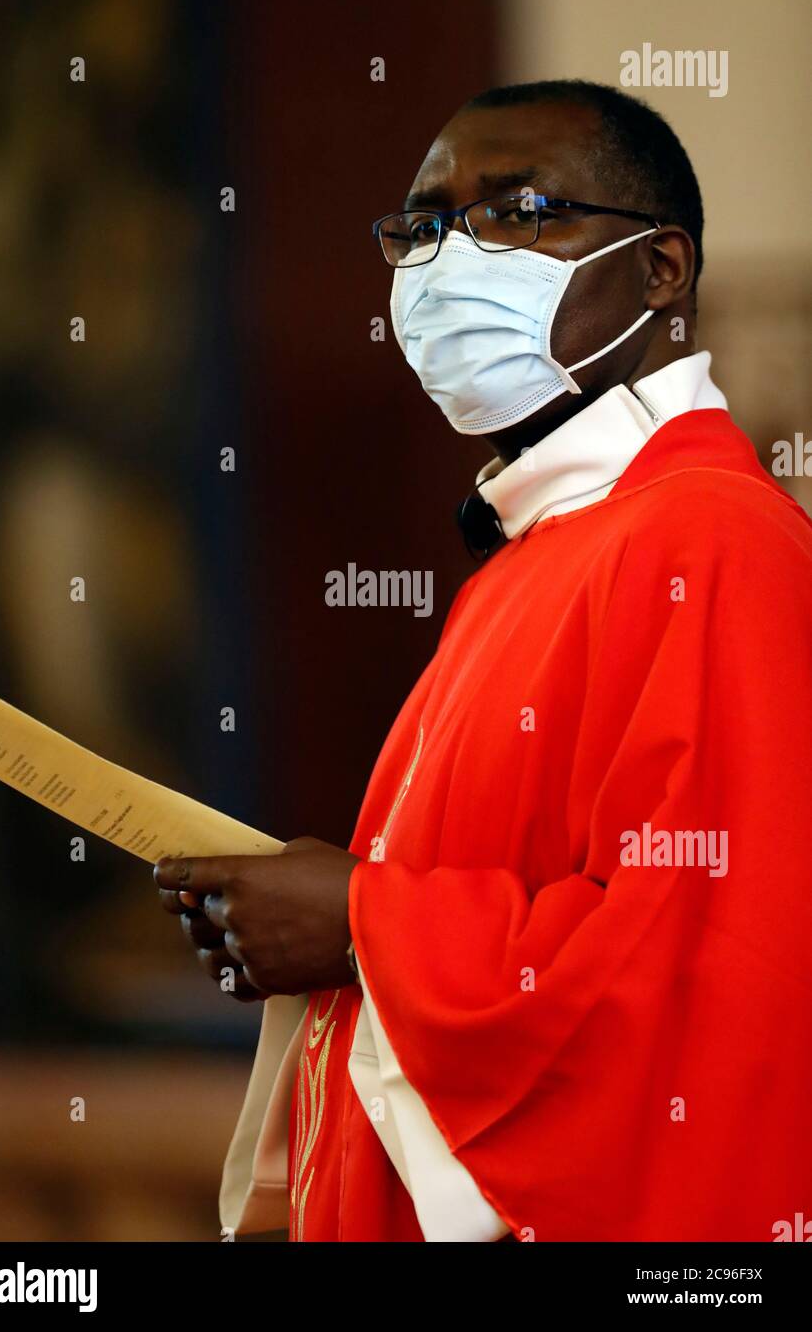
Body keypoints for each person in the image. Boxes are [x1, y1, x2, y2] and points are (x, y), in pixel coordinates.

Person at [155, 80, 812, 1243]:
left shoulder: (710, 541)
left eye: (516, 213)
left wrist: (358, 922)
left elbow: (699, 970)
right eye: (422, 227)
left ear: (660, 272)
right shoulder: (538, 551)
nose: (451, 260)